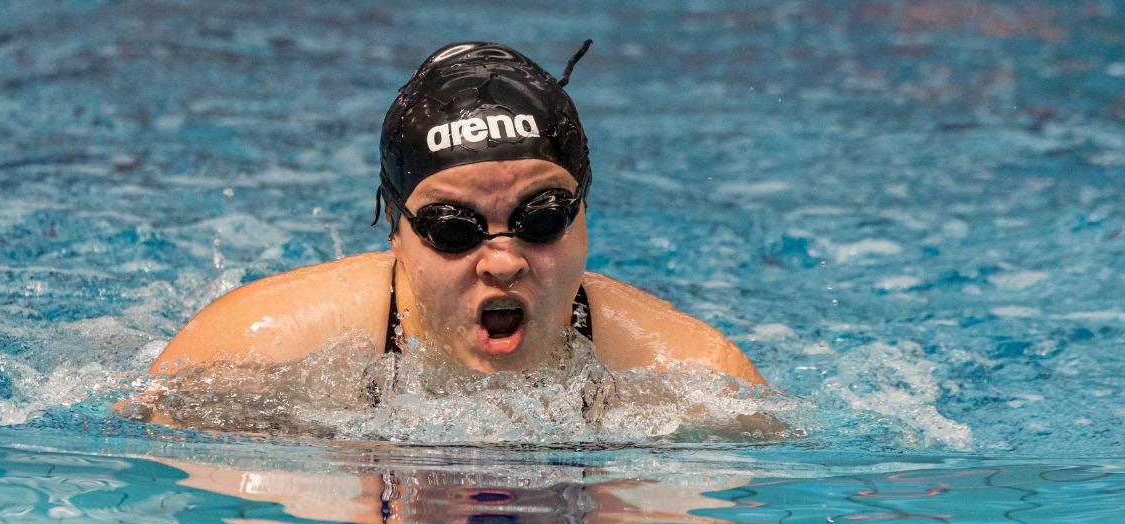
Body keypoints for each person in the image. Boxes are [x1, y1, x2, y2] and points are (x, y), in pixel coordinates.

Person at [146, 41, 763, 415]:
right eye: (452, 228)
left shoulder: (696, 375)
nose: (503, 262)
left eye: (541, 218)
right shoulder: (252, 351)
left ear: (584, 213)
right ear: (396, 232)